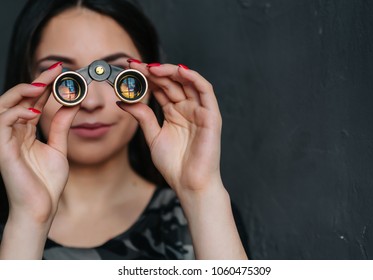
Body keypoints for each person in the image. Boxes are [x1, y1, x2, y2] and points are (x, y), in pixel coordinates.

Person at [0, 0, 248, 260]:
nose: (91, 102)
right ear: (29, 84)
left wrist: (200, 193)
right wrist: (29, 220)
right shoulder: (14, 223)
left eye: (120, 78)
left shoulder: (201, 213)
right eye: (67, 81)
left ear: (150, 84)